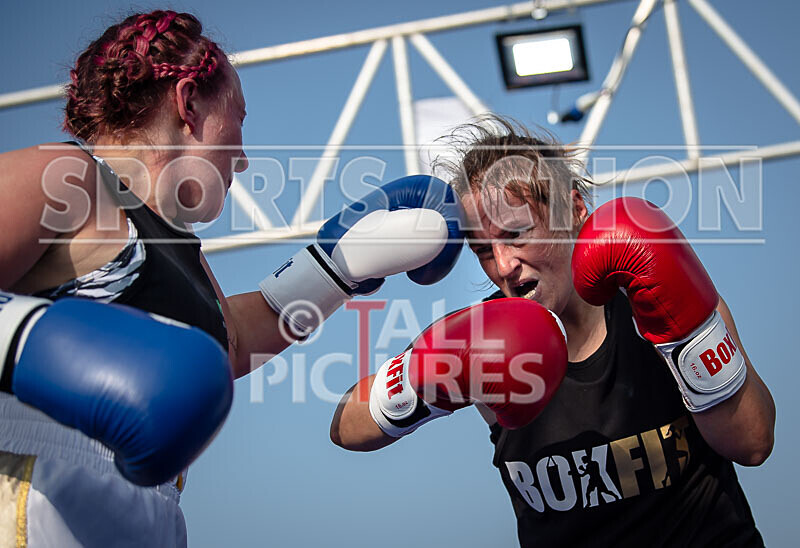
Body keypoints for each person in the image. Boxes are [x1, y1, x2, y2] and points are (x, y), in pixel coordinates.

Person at [0, 10, 463, 546]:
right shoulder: (64, 176)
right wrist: (34, 343)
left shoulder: (179, 249)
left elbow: (232, 342)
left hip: (149, 510)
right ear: (189, 103)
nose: (242, 159)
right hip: (32, 486)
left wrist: (339, 268)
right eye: (237, 119)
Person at [330, 116, 776, 546]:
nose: (503, 266)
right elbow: (345, 426)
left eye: (517, 234)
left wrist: (684, 334)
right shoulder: (481, 336)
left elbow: (752, 442)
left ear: (575, 210)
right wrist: (423, 379)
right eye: (484, 250)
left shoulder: (657, 297)